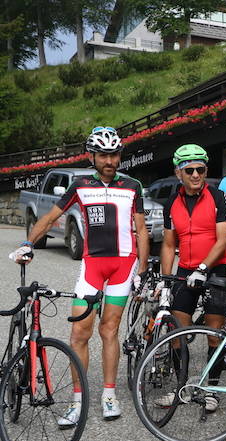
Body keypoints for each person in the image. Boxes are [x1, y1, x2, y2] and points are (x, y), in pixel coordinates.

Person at [11, 126, 149, 424]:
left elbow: (141, 229)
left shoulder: (133, 185)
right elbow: (50, 218)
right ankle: (77, 400)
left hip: (123, 265)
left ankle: (109, 395)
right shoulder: (80, 185)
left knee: (109, 330)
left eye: (114, 154)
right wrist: (27, 243)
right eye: (103, 155)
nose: (109, 161)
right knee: (78, 334)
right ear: (92, 156)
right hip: (93, 264)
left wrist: (142, 269)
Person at [158, 144, 226, 412]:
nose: (195, 174)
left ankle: (212, 388)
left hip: (216, 269)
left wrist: (203, 268)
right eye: (189, 170)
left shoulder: (218, 196)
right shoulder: (172, 202)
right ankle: (181, 386)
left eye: (200, 169)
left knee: (214, 333)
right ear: (178, 172)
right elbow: (168, 244)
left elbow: (222, 240)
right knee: (177, 332)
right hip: (186, 270)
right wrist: (165, 280)